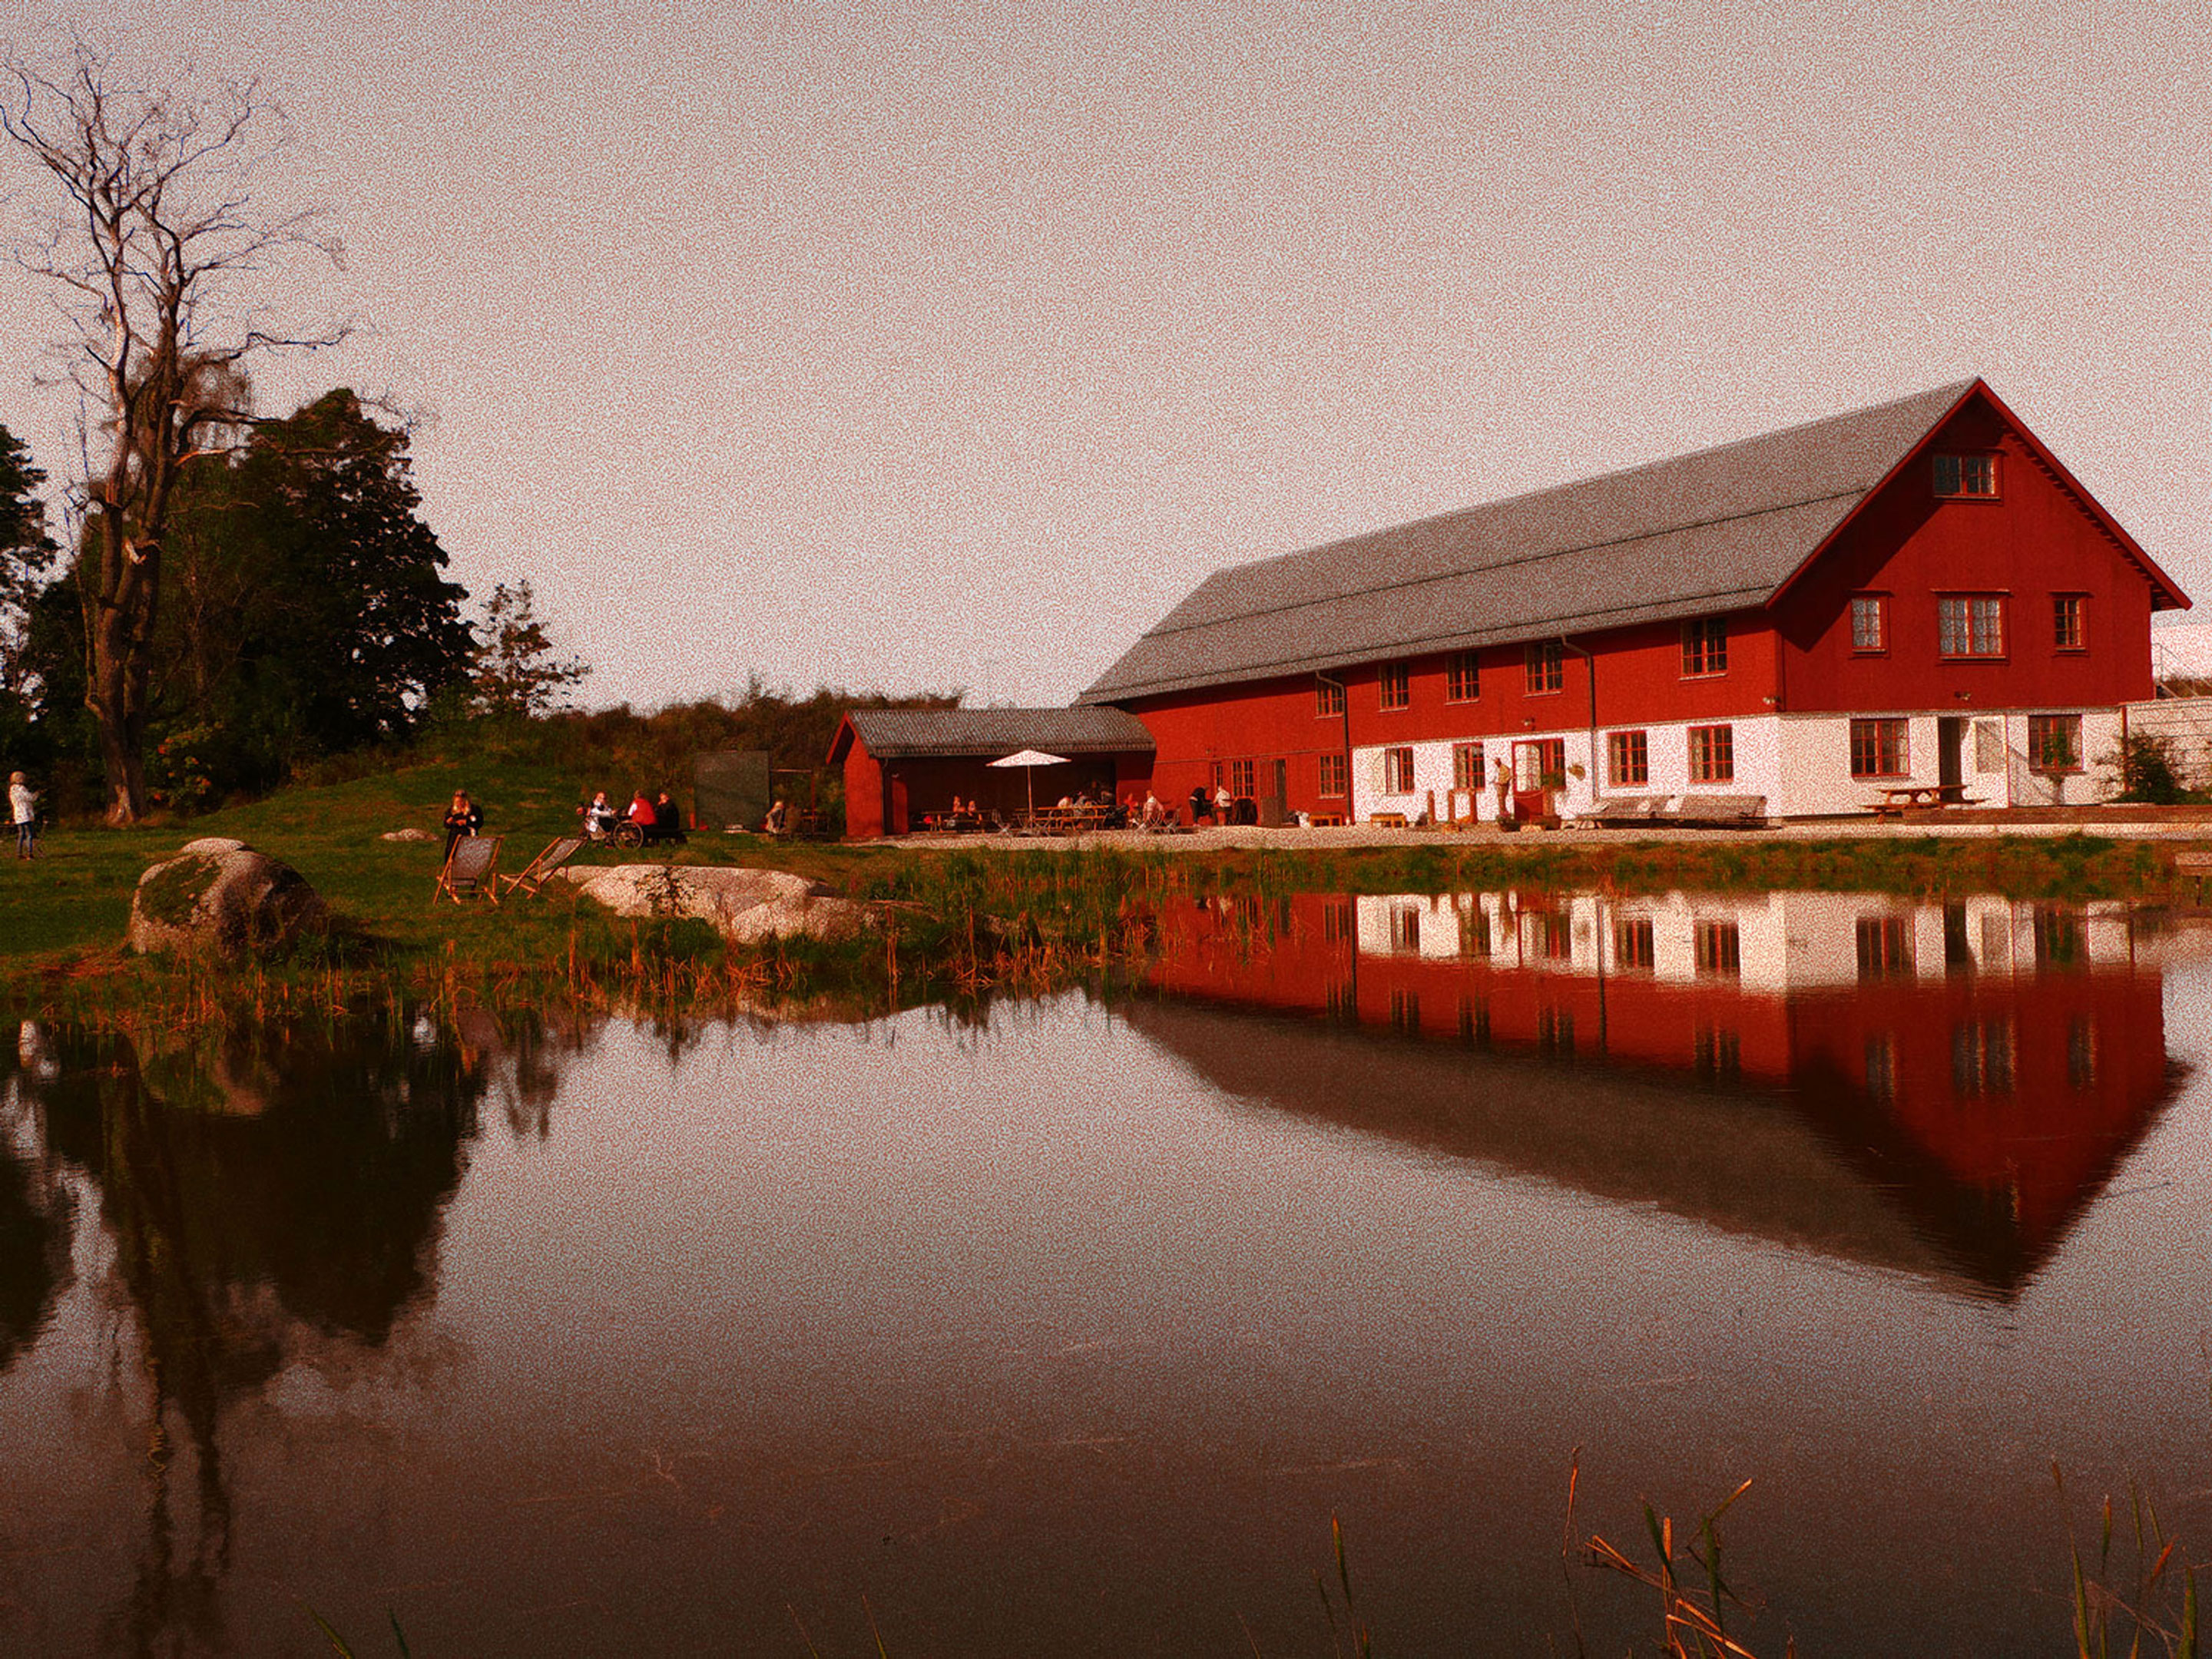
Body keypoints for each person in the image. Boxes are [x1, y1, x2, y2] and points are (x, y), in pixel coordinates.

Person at [442, 790, 483, 859]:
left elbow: (479, 823)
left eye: (461, 801)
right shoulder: (452, 811)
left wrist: (466, 822)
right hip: (454, 837)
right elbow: (446, 825)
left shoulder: (474, 810)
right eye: (457, 802)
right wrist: (449, 822)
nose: (459, 804)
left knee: (467, 856)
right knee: (451, 853)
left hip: (468, 835)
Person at [9, 770, 35, 861]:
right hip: (25, 814)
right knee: (29, 834)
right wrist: (36, 794)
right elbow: (30, 798)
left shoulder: (12, 789)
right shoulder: (22, 788)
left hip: (18, 814)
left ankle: (19, 853)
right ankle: (29, 854)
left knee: (21, 834)